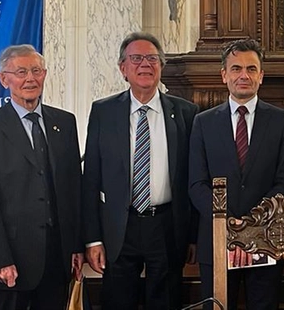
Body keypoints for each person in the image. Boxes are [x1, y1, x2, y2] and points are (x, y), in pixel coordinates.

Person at [82, 32, 199, 310]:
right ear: (123, 68)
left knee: (167, 299)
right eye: (136, 58)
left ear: (161, 66)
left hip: (167, 224)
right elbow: (91, 179)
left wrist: (193, 235)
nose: (144, 64)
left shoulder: (186, 112)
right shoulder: (104, 111)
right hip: (120, 226)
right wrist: (93, 238)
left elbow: (193, 179)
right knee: (118, 300)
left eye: (152, 58)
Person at [0, 45, 83, 310]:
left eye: (36, 71)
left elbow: (73, 189)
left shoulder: (65, 123)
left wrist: (76, 246)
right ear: (4, 79)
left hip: (58, 256)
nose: (30, 79)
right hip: (11, 260)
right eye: (21, 72)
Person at [188, 38, 284, 310]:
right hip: (217, 239)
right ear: (224, 75)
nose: (244, 75)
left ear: (261, 75)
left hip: (265, 239)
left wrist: (251, 226)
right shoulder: (203, 122)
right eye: (236, 68)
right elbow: (196, 184)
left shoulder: (282, 121)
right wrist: (227, 224)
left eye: (251, 68)